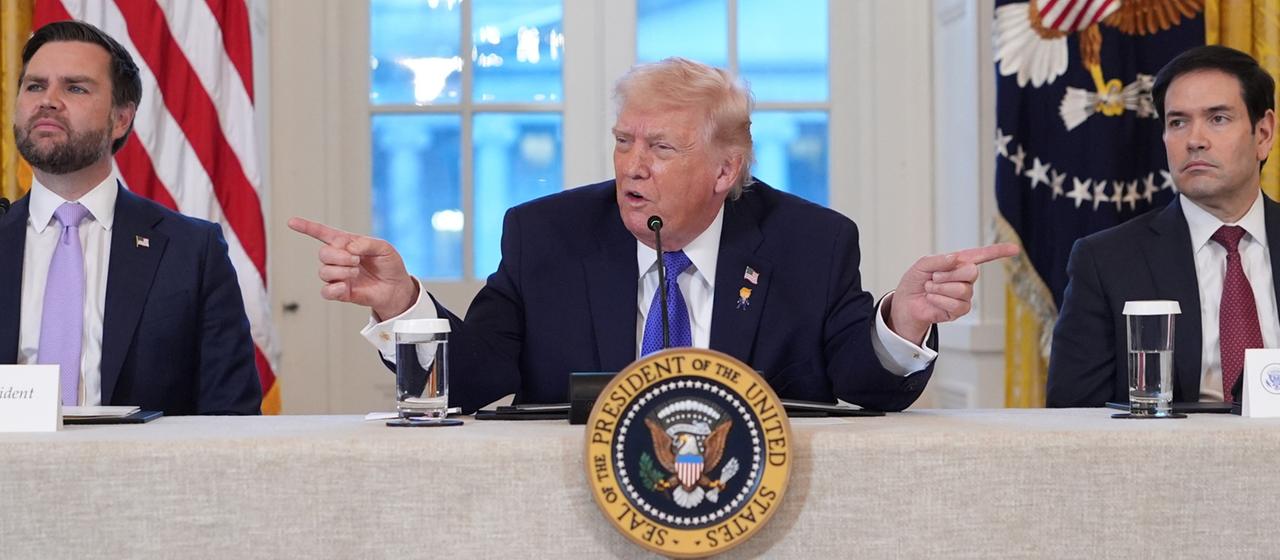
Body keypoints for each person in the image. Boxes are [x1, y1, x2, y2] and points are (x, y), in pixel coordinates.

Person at [291, 57, 1015, 413]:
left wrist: (905, 318)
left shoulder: (810, 242)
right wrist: (401, 304)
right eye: (623, 142)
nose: (632, 167)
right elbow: (475, 381)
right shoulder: (547, 234)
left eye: (661, 149)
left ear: (726, 169)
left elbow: (867, 387)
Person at [0, 21, 261, 415]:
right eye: (35, 86)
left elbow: (232, 416)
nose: (48, 100)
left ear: (121, 119)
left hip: (142, 475)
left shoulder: (192, 252)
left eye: (75, 87)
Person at [1048, 45, 1279, 407]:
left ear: (1263, 134)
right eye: (1178, 122)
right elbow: (1072, 415)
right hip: (1167, 459)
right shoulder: (1106, 260)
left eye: (1218, 118)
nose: (1194, 140)